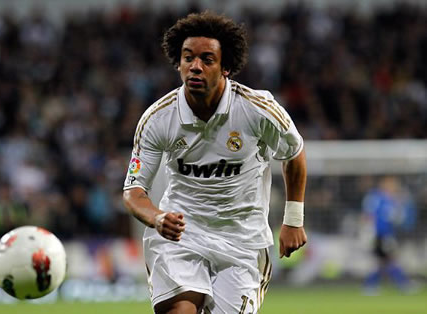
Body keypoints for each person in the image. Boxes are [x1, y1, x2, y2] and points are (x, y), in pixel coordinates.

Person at [123, 11, 307, 314]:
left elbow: (294, 153)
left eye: (207, 59)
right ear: (178, 62)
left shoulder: (257, 109)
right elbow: (133, 190)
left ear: (226, 68)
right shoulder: (158, 119)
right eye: (188, 58)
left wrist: (293, 219)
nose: (195, 66)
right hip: (182, 235)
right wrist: (156, 217)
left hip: (243, 241)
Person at [361, 175, 417, 295]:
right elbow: (368, 215)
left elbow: (397, 218)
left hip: (386, 234)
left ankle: (371, 285)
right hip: (378, 234)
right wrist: (369, 232)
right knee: (388, 259)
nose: (394, 187)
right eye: (392, 184)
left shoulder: (392, 199)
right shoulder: (376, 197)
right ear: (385, 184)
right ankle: (402, 284)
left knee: (384, 261)